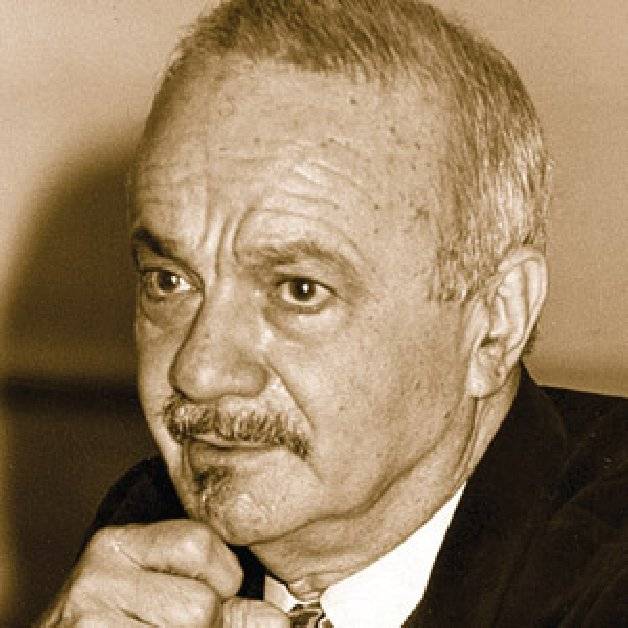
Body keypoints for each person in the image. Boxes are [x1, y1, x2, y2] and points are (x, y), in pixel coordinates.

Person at [39, 1, 627, 626]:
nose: (198, 371)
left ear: (494, 323)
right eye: (169, 281)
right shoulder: (150, 535)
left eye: (298, 290)